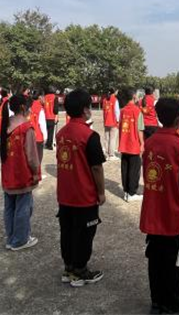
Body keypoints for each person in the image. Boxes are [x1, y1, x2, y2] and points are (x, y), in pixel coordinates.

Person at [140, 98, 179, 315]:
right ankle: (173, 304)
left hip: (154, 211)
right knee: (173, 262)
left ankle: (157, 302)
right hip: (173, 213)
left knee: (155, 259)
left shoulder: (150, 142)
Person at [56, 89, 106, 288]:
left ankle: (68, 267)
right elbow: (96, 168)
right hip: (84, 195)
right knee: (84, 233)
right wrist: (101, 192)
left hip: (65, 194)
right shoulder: (89, 136)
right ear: (85, 110)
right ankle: (80, 271)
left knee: (67, 231)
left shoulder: (61, 133)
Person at [0, 94, 40, 251]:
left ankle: (11, 238)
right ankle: (20, 240)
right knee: (23, 207)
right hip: (22, 174)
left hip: (8, 173)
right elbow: (32, 156)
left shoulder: (6, 124)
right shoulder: (26, 128)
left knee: (9, 207)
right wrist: (35, 172)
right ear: (23, 108)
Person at [118, 88, 145, 202]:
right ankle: (132, 193)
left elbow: (120, 126)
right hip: (134, 144)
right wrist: (142, 143)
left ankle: (126, 191)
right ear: (134, 97)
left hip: (124, 143)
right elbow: (140, 129)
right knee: (134, 169)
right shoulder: (137, 111)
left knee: (125, 168)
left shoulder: (122, 110)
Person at [29, 89, 48, 166]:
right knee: (38, 157)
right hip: (38, 136)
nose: (44, 99)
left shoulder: (29, 106)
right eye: (44, 97)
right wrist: (45, 136)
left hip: (30, 135)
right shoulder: (40, 109)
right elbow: (42, 123)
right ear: (40, 97)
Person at [102, 88, 120, 160]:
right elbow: (117, 112)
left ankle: (106, 154)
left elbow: (103, 111)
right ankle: (111, 155)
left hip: (106, 121)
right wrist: (118, 121)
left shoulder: (104, 100)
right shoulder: (115, 100)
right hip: (113, 122)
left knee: (107, 138)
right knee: (112, 138)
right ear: (115, 92)